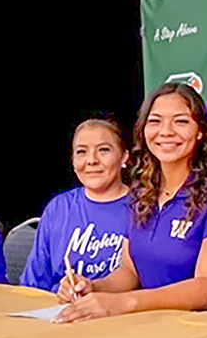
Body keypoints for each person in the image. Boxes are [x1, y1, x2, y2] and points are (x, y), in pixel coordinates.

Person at [54, 83, 207, 323]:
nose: (166, 131)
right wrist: (94, 287)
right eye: (155, 121)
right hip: (144, 329)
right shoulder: (141, 193)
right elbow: (130, 271)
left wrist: (127, 303)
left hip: (197, 335)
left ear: (200, 132)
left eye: (180, 121)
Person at [19, 118, 130, 292]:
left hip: (123, 315)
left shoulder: (143, 208)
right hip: (59, 312)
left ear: (124, 157)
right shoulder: (58, 208)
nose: (91, 160)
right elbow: (33, 285)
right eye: (81, 152)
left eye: (103, 150)